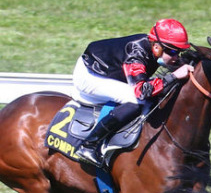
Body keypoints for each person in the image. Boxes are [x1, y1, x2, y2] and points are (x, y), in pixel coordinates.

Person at [71, 18, 194, 168]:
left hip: (110, 71)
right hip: (90, 74)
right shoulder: (136, 53)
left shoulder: (154, 49)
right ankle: (89, 145)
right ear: (156, 47)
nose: (176, 57)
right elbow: (141, 91)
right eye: (173, 51)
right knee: (137, 101)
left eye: (180, 52)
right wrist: (173, 76)